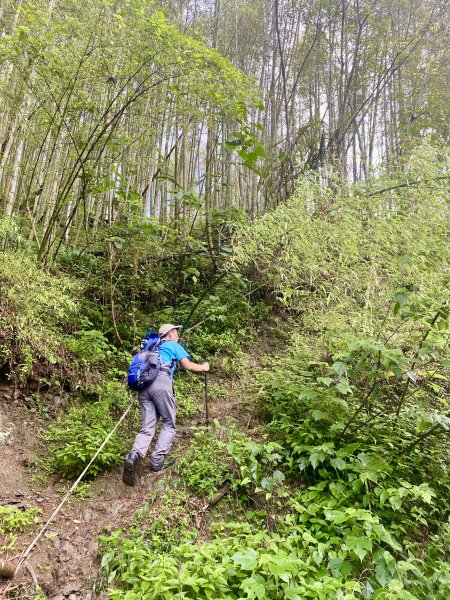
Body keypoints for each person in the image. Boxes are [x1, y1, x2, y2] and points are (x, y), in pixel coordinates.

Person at [122, 323, 209, 486]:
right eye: (176, 331)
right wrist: (204, 367)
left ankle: (134, 455)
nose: (178, 334)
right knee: (169, 423)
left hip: (144, 387)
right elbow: (188, 365)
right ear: (169, 333)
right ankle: (156, 462)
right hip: (161, 382)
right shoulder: (172, 345)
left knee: (147, 427)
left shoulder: (149, 349)